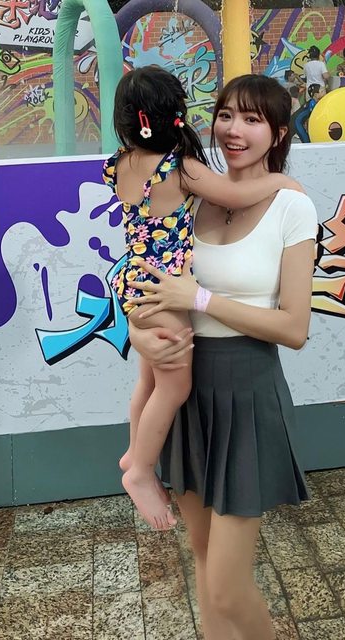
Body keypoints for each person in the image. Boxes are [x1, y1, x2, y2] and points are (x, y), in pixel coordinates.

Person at [126, 74, 318, 640]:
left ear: (278, 133)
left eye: (253, 120)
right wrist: (139, 336)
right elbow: (150, 284)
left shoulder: (292, 206)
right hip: (187, 390)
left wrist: (202, 299)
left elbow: (294, 328)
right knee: (204, 561)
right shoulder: (192, 193)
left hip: (246, 393)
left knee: (228, 588)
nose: (234, 130)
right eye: (226, 115)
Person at [106, 66, 299, 531]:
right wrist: (280, 183)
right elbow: (233, 193)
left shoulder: (120, 162)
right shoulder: (180, 167)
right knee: (174, 387)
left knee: (148, 380)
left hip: (135, 282)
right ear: (172, 115)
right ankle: (140, 470)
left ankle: (133, 451)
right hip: (167, 288)